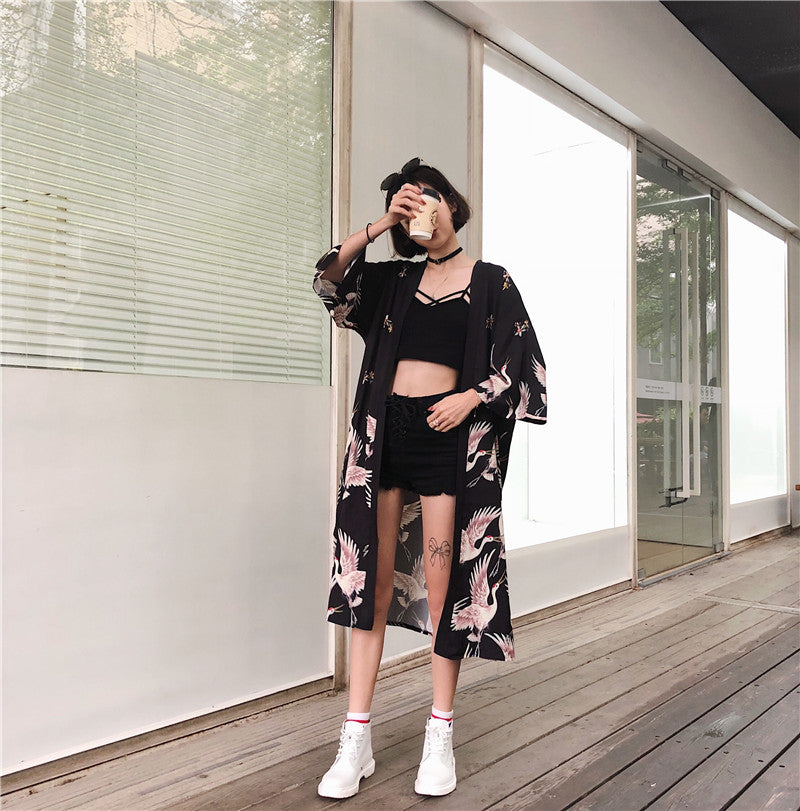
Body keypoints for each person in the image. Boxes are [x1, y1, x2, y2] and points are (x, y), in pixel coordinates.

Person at [312, 157, 547, 799]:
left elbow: (524, 364)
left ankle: (439, 731)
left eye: (428, 197)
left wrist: (472, 397)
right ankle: (355, 738)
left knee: (444, 590)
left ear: (451, 203)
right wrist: (380, 222)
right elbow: (329, 281)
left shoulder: (492, 281)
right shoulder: (392, 281)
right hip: (386, 432)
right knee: (372, 584)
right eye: (410, 203)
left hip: (449, 441)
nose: (422, 209)